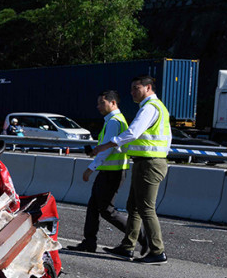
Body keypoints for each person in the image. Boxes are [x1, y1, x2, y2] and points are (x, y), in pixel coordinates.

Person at [93, 75, 171, 264]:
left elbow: (134, 132)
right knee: (133, 207)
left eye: (136, 88)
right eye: (132, 89)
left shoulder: (150, 108)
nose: (132, 92)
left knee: (145, 208)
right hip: (144, 162)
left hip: (151, 163)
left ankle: (157, 250)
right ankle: (127, 247)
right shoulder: (152, 107)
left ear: (148, 88)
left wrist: (108, 145)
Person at [67, 90, 147, 253]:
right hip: (110, 171)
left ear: (113, 103)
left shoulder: (114, 122)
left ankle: (142, 237)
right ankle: (89, 242)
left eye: (101, 103)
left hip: (113, 172)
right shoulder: (113, 120)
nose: (98, 106)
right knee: (94, 207)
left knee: (107, 210)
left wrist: (90, 168)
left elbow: (107, 149)